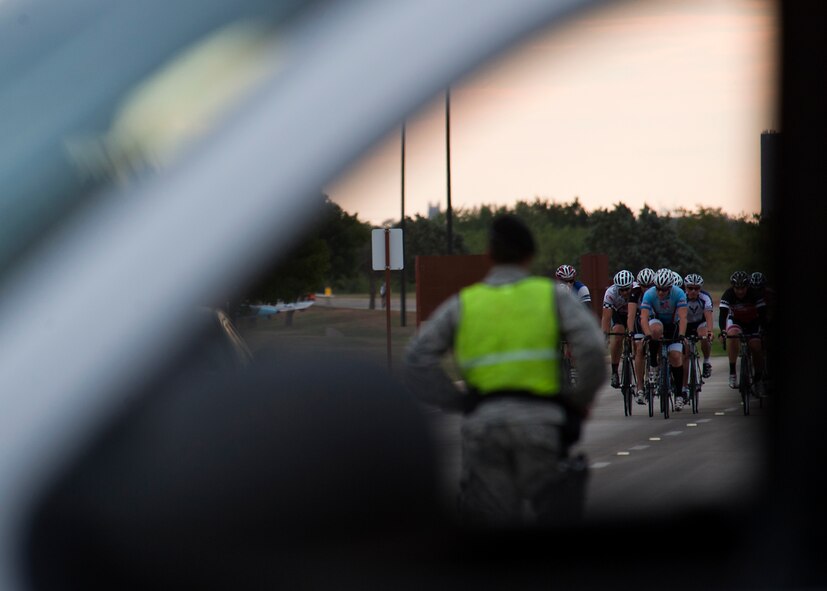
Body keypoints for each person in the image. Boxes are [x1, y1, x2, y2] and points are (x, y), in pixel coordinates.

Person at [405, 214, 605, 525]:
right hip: (541, 423)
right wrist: (576, 403)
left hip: (485, 425)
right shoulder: (551, 296)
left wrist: (459, 402)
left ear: (489, 255)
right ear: (530, 255)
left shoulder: (465, 303)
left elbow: (416, 360)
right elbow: (593, 349)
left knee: (489, 520)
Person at [639, 268, 689, 411]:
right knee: (654, 330)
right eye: (658, 289)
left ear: (670, 287)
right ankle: (654, 364)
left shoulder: (678, 293)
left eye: (664, 290)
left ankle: (679, 394)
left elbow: (684, 317)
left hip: (673, 325)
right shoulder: (649, 294)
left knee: (675, 357)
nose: (660, 293)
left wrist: (681, 335)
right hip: (657, 322)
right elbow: (643, 318)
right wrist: (648, 334)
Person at [719, 270, 767, 394]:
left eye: (743, 288)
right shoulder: (728, 294)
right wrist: (723, 331)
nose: (740, 291)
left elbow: (762, 315)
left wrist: (764, 330)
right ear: (733, 287)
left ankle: (758, 379)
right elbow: (723, 315)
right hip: (737, 321)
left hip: (753, 322)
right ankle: (733, 372)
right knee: (732, 335)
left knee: (756, 346)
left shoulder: (754, 294)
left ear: (747, 286)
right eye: (737, 288)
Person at [602, 270, 635, 389]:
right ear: (617, 288)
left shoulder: (637, 290)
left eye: (627, 289)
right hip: (618, 314)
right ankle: (615, 371)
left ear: (632, 285)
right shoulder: (610, 293)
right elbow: (606, 317)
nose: (625, 292)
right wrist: (605, 335)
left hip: (634, 314)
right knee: (617, 334)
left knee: (637, 338)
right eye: (622, 290)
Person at [681, 273, 714, 388]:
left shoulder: (705, 297)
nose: (693, 291)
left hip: (700, 323)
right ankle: (684, 387)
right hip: (686, 325)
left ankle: (706, 361)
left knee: (704, 335)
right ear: (686, 288)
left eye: (697, 288)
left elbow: (708, 315)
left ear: (700, 289)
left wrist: (710, 331)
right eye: (690, 288)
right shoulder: (682, 298)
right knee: (685, 352)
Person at [627, 267, 655, 404]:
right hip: (640, 320)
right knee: (639, 349)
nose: (646, 289)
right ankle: (639, 386)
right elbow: (631, 315)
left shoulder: (658, 291)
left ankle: (658, 371)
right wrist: (631, 331)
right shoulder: (635, 292)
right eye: (643, 286)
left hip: (654, 319)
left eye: (649, 286)